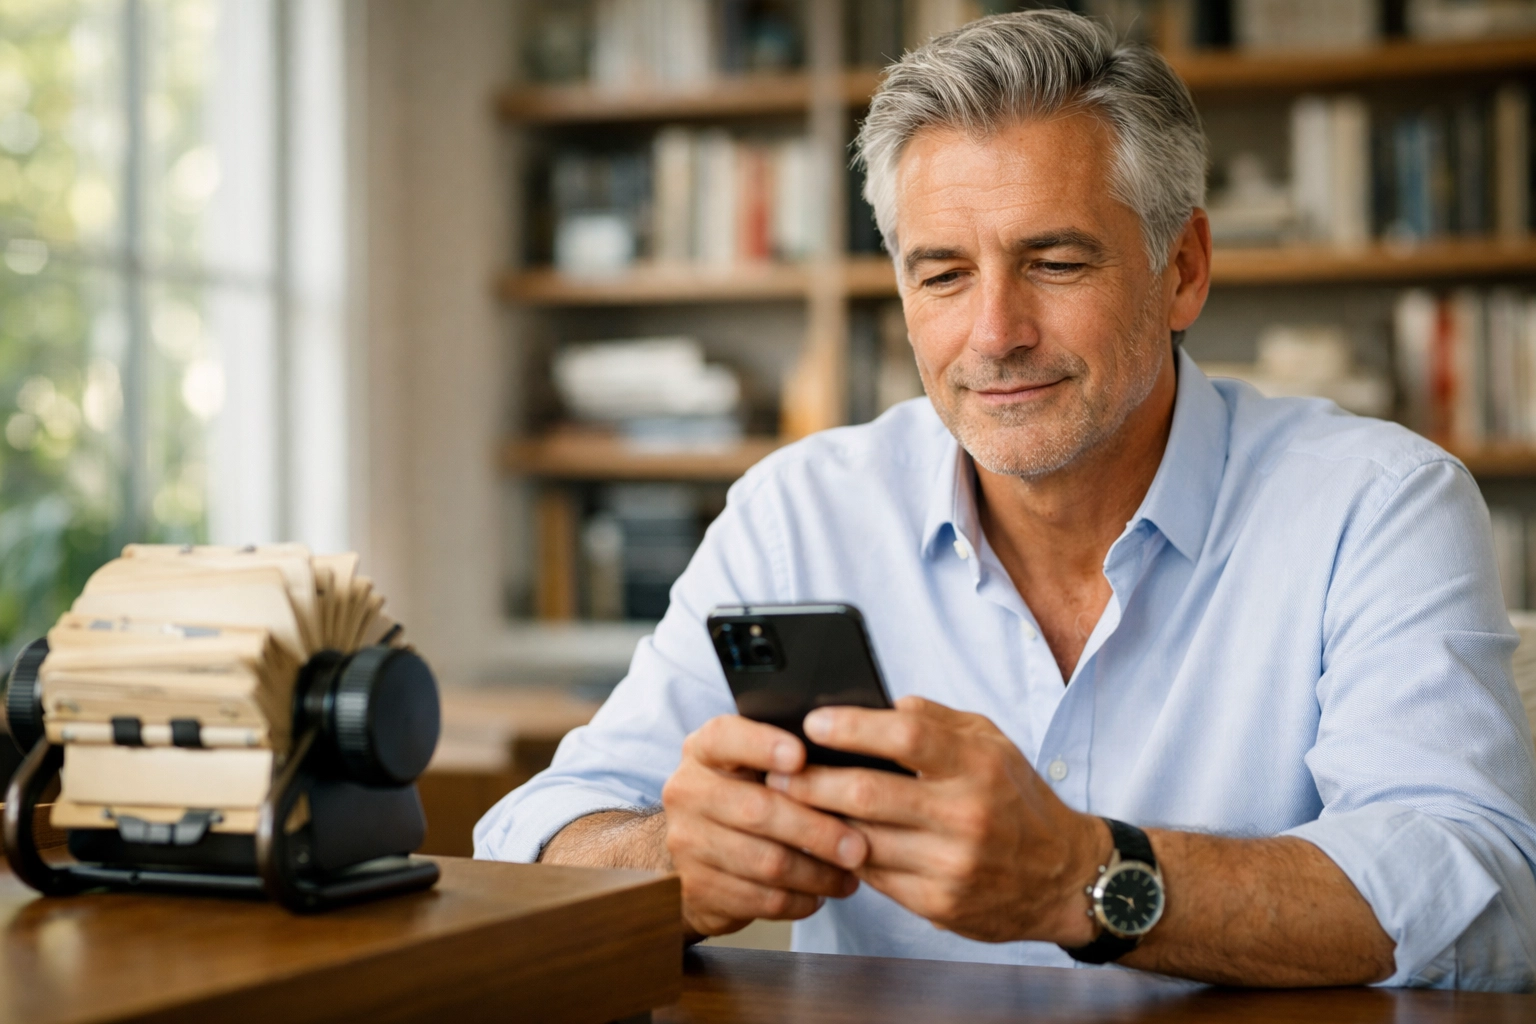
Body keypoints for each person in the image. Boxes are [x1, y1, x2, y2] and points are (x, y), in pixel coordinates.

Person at [475, 10, 1536, 989]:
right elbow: (537, 831)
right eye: (942, 275)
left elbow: (1480, 890)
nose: (994, 333)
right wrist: (676, 863)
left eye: (1056, 260)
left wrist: (1085, 877)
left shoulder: (1378, 503)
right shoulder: (797, 510)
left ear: (1185, 269)